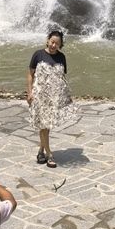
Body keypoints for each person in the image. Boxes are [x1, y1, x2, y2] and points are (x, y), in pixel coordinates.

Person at [27, 28, 78, 168]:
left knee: (46, 125)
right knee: (43, 125)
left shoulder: (62, 57)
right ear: (48, 40)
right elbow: (30, 74)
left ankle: (40, 151)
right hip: (39, 95)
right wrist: (29, 92)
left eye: (57, 43)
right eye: (52, 42)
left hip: (53, 96)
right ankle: (49, 154)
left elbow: (62, 78)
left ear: (60, 45)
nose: (54, 45)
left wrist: (66, 95)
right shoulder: (38, 55)